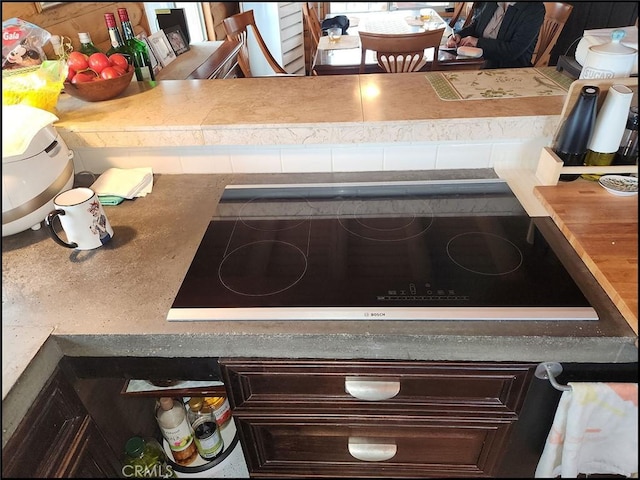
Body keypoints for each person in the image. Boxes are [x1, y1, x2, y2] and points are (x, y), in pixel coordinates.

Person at [446, 2, 545, 69]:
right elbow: (476, 24)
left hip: (507, 69)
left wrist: (477, 42)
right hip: (478, 59)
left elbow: (513, 51)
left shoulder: (534, 9)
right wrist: (459, 35)